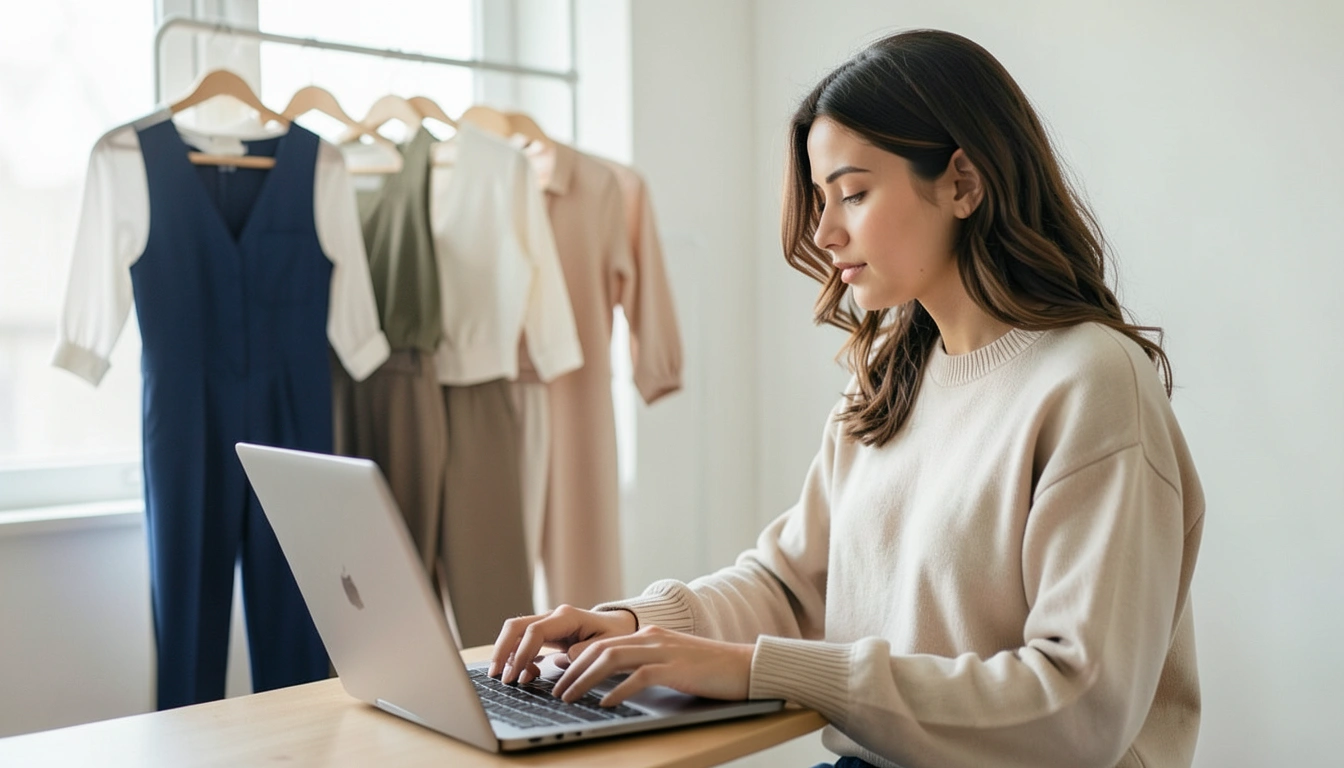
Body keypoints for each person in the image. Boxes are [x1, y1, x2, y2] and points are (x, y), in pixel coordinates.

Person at [490, 28, 1203, 768]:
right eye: (822, 200)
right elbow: (792, 582)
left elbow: (1078, 711)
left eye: (854, 193)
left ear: (963, 182)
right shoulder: (889, 378)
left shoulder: (1091, 382)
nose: (825, 233)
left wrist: (754, 669)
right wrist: (635, 623)